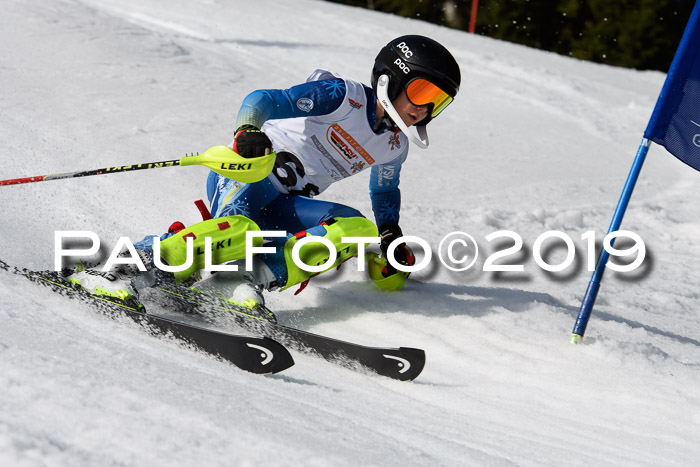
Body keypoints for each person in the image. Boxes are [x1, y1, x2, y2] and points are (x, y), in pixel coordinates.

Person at [67, 35, 461, 310]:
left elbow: (384, 191)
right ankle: (123, 268)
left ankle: (238, 280)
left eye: (436, 104)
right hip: (248, 174)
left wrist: (390, 233)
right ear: (390, 79)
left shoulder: (395, 146)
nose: (422, 111)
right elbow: (264, 100)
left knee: (356, 229)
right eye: (421, 94)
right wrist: (248, 130)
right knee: (241, 230)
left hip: (286, 203)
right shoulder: (343, 97)